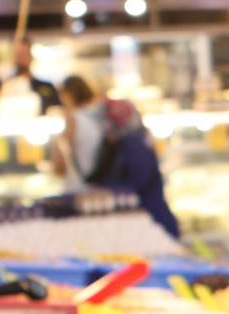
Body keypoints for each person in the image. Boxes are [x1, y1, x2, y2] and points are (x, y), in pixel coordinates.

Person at [56, 71, 181, 237]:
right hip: (149, 205)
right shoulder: (116, 118)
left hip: (112, 202)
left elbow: (58, 167)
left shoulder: (76, 119)